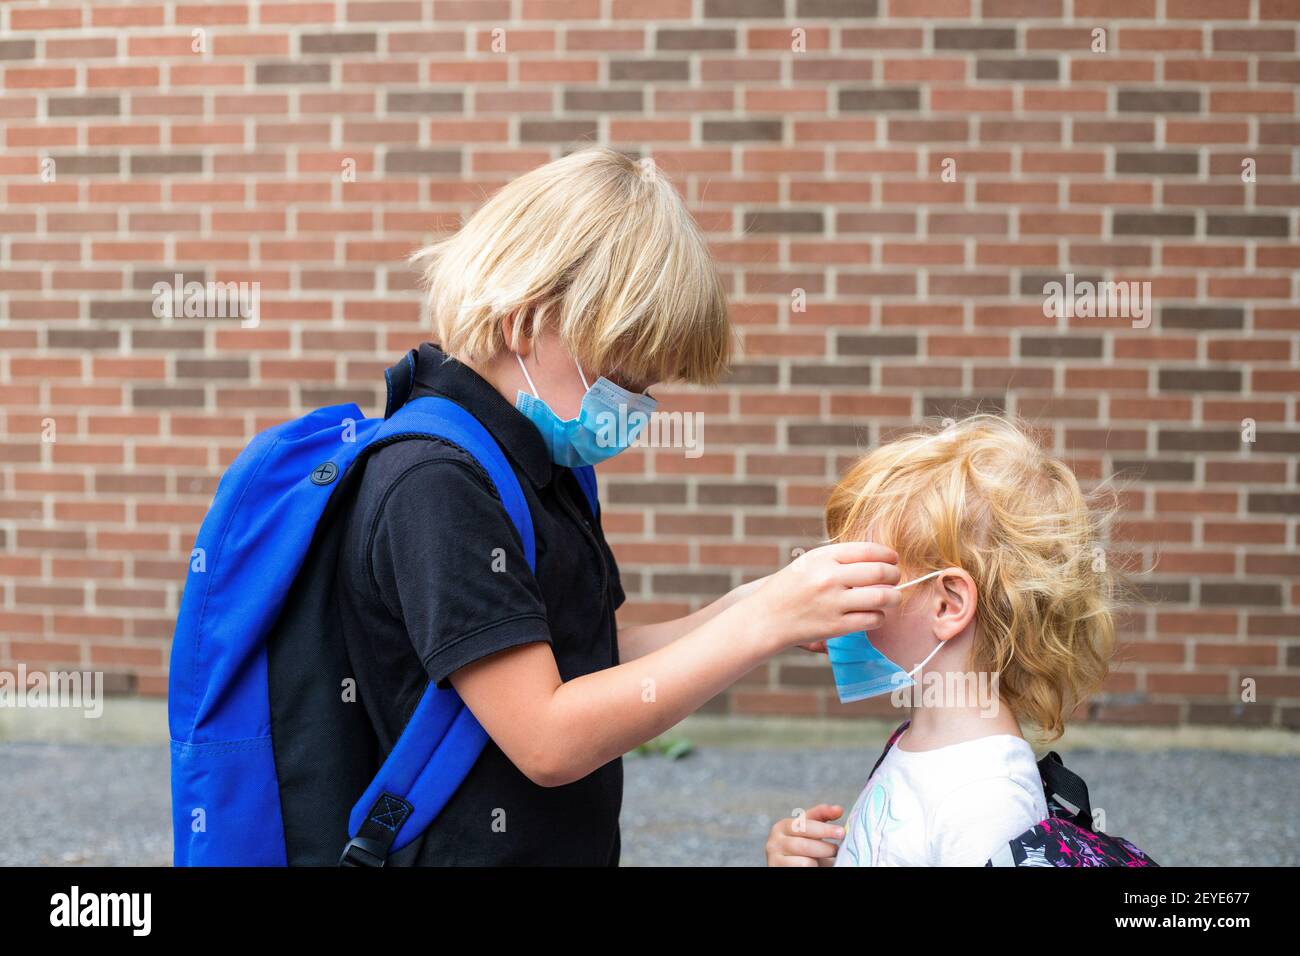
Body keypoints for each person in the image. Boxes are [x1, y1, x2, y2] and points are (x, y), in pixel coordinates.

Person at [335, 146, 902, 865]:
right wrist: (760, 625)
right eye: (622, 371)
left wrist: (761, 603)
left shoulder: (537, 459)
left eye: (647, 384)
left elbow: (581, 657)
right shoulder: (437, 483)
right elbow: (545, 735)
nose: (633, 405)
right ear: (525, 319)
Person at [765, 415, 1117, 866]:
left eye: (861, 577)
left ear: (948, 605)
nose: (835, 593)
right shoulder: (919, 743)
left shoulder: (985, 803)